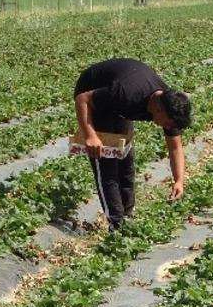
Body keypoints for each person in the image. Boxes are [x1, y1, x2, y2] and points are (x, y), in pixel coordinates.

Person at [73, 58, 192, 230]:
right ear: (158, 110)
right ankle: (116, 224)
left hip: (118, 101)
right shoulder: (127, 94)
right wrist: (90, 135)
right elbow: (82, 99)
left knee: (126, 161)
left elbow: (175, 147)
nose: (167, 128)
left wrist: (179, 180)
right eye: (167, 124)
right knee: (107, 164)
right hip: (92, 95)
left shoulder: (167, 106)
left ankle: (128, 215)